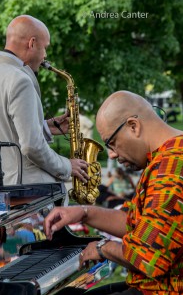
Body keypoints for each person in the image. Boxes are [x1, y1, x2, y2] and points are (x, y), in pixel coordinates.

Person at [44, 90, 183, 294]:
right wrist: (83, 212)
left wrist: (102, 248)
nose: (112, 153)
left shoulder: (170, 169)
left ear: (133, 126)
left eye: (112, 143)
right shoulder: (167, 157)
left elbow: (148, 259)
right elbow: (136, 223)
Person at [0, 15, 88, 186]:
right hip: (30, 193)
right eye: (45, 47)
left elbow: (5, 133)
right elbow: (31, 147)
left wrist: (46, 127)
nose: (45, 55)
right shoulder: (20, 79)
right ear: (32, 43)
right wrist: (67, 165)